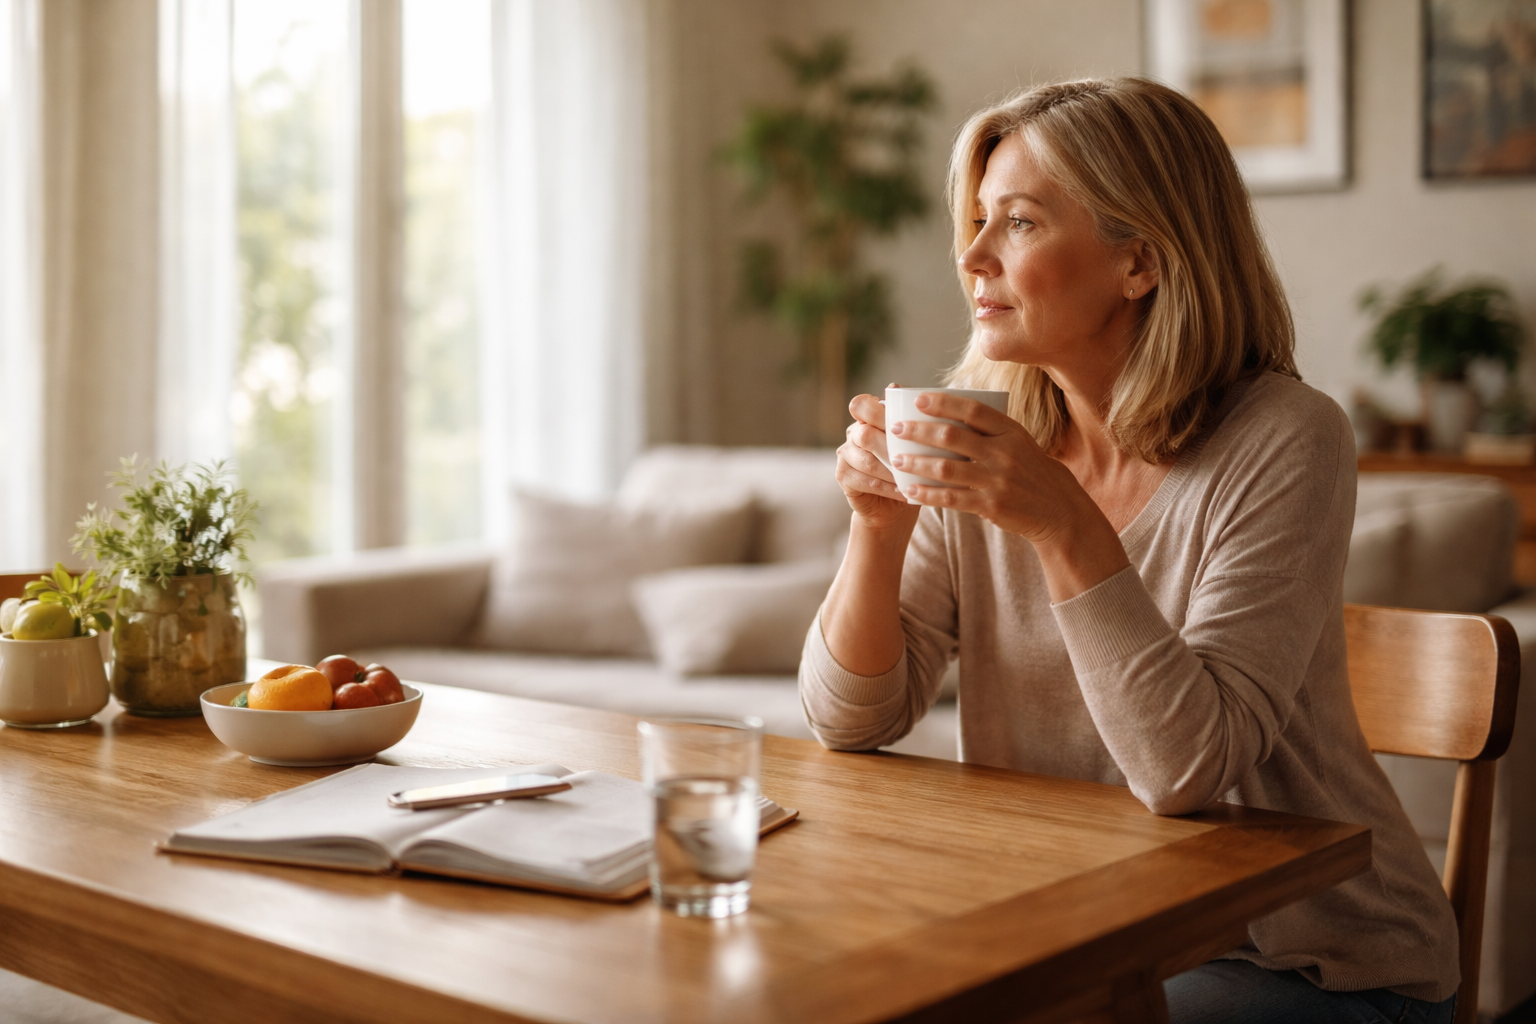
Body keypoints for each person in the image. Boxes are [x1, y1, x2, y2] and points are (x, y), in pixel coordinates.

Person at [800, 78, 1459, 1023]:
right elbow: (847, 722)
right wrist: (877, 526)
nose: (972, 254)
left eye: (1018, 223)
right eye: (977, 219)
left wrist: (1063, 524)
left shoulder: (1287, 438)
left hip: (1300, 951)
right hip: (1075, 922)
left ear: (1139, 262)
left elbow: (1187, 768)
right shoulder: (990, 428)